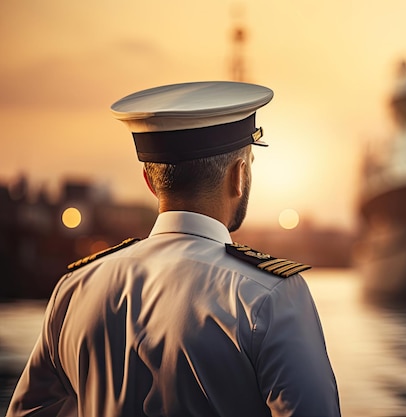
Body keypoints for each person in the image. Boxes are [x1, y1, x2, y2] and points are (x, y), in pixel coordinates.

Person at [7, 81, 341, 417]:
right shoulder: (269, 296)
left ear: (149, 181)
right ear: (239, 176)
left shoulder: (75, 289)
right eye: (249, 163)